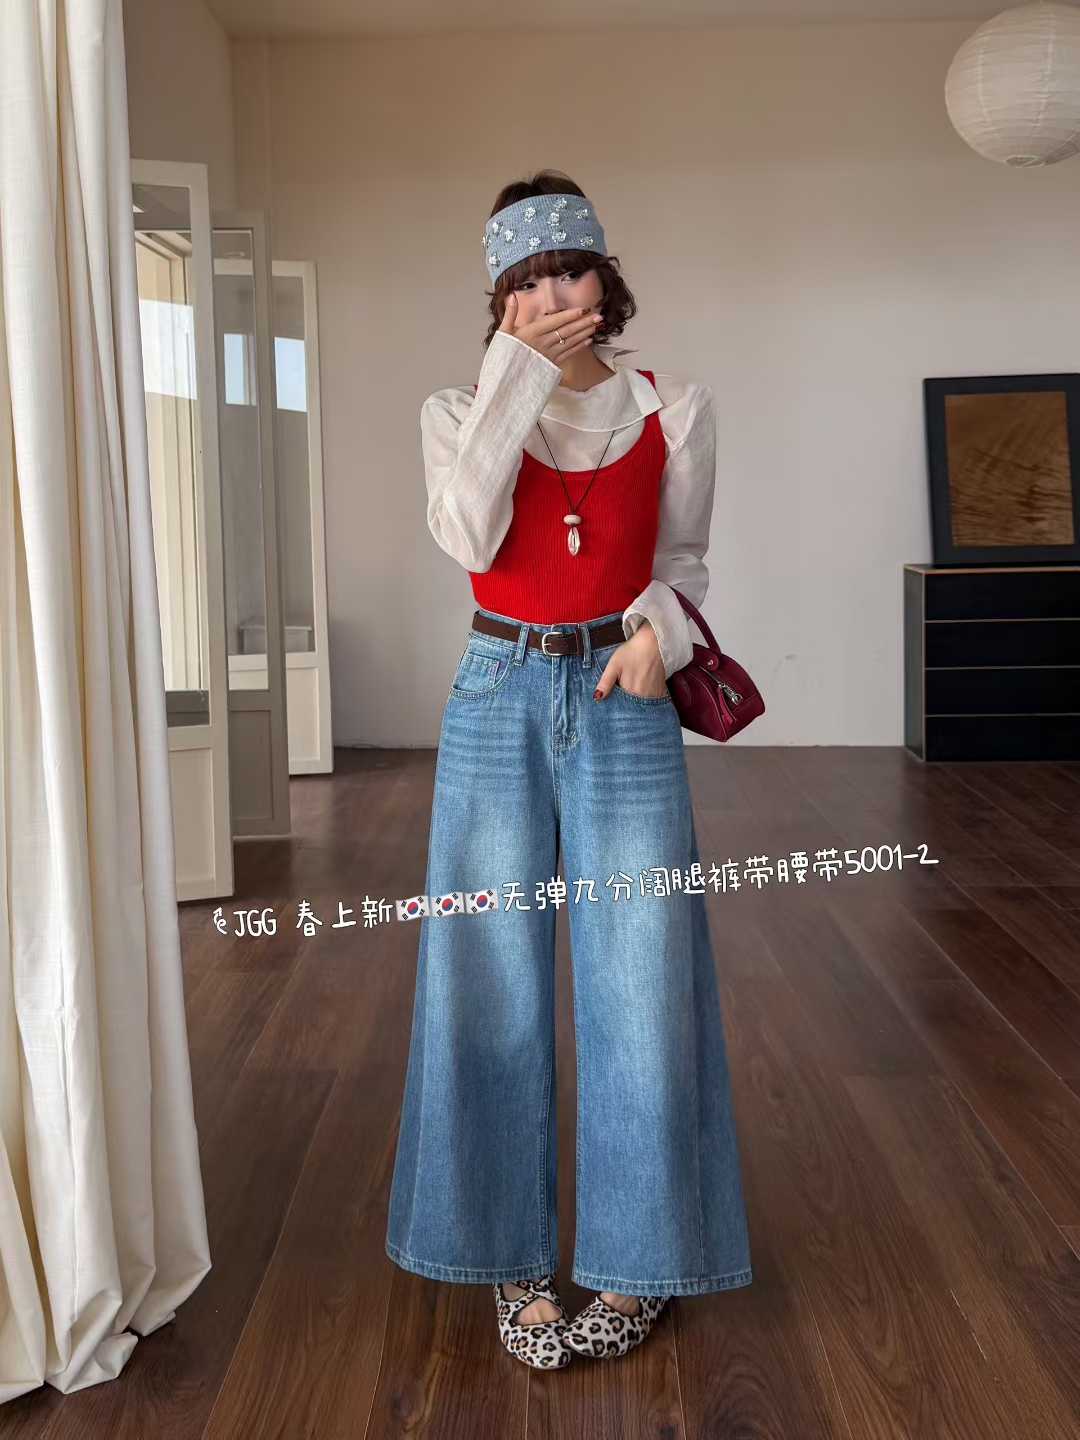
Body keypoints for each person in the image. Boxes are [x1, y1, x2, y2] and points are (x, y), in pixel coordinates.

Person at [385, 169, 753, 1368]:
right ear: (501, 300)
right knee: (486, 971)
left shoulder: (675, 406)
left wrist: (661, 636)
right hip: (497, 690)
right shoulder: (459, 408)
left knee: (641, 975)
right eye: (525, 280)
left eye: (569, 270)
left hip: (621, 694)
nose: (551, 296)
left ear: (606, 278)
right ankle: (505, 1258)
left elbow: (684, 563)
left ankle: (640, 1264)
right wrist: (515, 378)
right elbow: (468, 536)